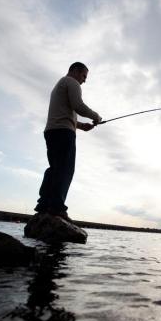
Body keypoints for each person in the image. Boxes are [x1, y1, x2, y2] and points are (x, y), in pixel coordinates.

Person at [34, 62, 102, 221]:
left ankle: (43, 204)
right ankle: (57, 207)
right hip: (63, 133)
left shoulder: (59, 84)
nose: (85, 80)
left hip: (52, 131)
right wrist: (96, 117)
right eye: (84, 76)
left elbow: (63, 114)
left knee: (55, 168)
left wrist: (79, 126)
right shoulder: (72, 82)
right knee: (65, 170)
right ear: (75, 71)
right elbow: (78, 105)